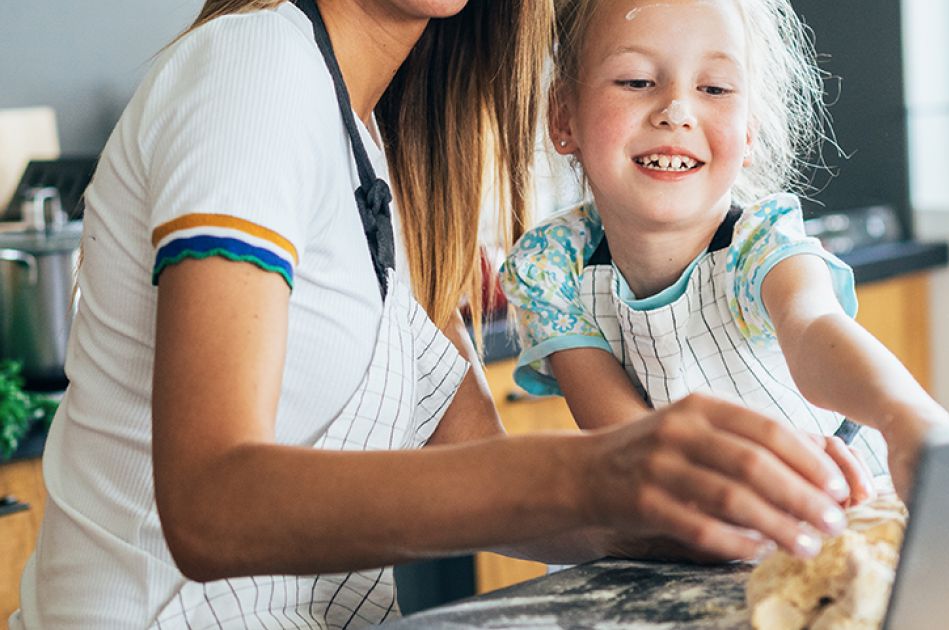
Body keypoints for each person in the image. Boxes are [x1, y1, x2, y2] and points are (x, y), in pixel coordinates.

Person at [12, 0, 875, 628]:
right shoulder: (256, 68)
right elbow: (208, 507)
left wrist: (708, 513)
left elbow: (481, 473)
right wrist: (599, 469)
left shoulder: (388, 156)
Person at [501, 0, 949, 508]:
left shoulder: (761, 244)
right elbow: (630, 442)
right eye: (635, 81)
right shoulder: (551, 267)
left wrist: (904, 414)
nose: (676, 111)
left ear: (749, 131)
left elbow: (812, 330)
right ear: (564, 116)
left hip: (843, 498)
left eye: (713, 88)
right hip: (684, 519)